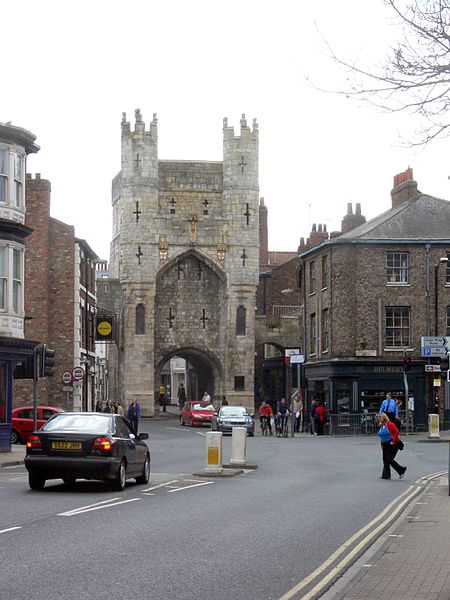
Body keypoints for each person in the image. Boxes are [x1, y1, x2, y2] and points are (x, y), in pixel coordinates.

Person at [378, 412, 407, 480]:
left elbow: (396, 432)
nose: (379, 419)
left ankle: (401, 470)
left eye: (380, 418)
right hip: (385, 444)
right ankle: (386, 475)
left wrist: (393, 441)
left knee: (389, 459)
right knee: (385, 459)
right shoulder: (382, 425)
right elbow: (382, 436)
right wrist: (382, 444)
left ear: (383, 418)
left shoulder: (389, 424)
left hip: (392, 443)